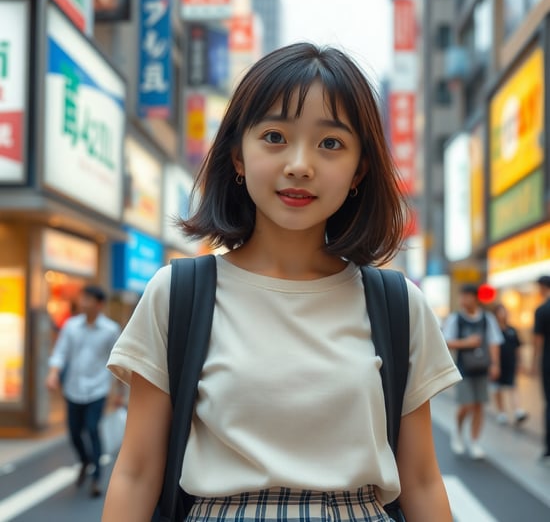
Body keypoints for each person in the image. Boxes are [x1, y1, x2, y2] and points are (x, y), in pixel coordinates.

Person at [102, 43, 461, 522]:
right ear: (237, 157)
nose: (299, 164)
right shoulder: (178, 294)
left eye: (330, 143)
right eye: (274, 136)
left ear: (360, 170)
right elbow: (137, 471)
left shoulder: (397, 305)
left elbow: (420, 481)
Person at [46, 284, 121, 498]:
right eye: (82, 299)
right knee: (73, 432)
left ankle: (97, 476)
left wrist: (119, 393)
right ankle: (86, 460)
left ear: (99, 304)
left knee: (92, 428)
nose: (83, 303)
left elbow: (118, 362)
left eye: (88, 299)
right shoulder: (71, 326)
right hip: (73, 388)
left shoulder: (110, 329)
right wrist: (53, 374)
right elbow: (60, 353)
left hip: (97, 389)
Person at [442, 284, 502, 460]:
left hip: (482, 367)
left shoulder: (487, 319)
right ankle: (458, 431)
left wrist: (495, 364)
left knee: (479, 406)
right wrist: (467, 343)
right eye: (461, 296)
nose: (463, 300)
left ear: (475, 298)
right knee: (466, 405)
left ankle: (474, 441)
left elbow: (494, 342)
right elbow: (445, 342)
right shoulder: (456, 318)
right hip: (463, 368)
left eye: (466, 296)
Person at [491, 303, 528, 425]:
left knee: (513, 386)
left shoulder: (512, 330)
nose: (503, 314)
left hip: (510, 362)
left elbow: (518, 347)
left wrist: (520, 362)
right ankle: (501, 412)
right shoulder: (492, 330)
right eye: (500, 312)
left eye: (504, 311)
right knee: (497, 388)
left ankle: (518, 410)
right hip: (497, 364)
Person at [533, 275, 550, 465]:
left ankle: (548, 449)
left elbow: (538, 341)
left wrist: (533, 364)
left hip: (548, 362)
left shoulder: (542, 310)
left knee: (549, 404)